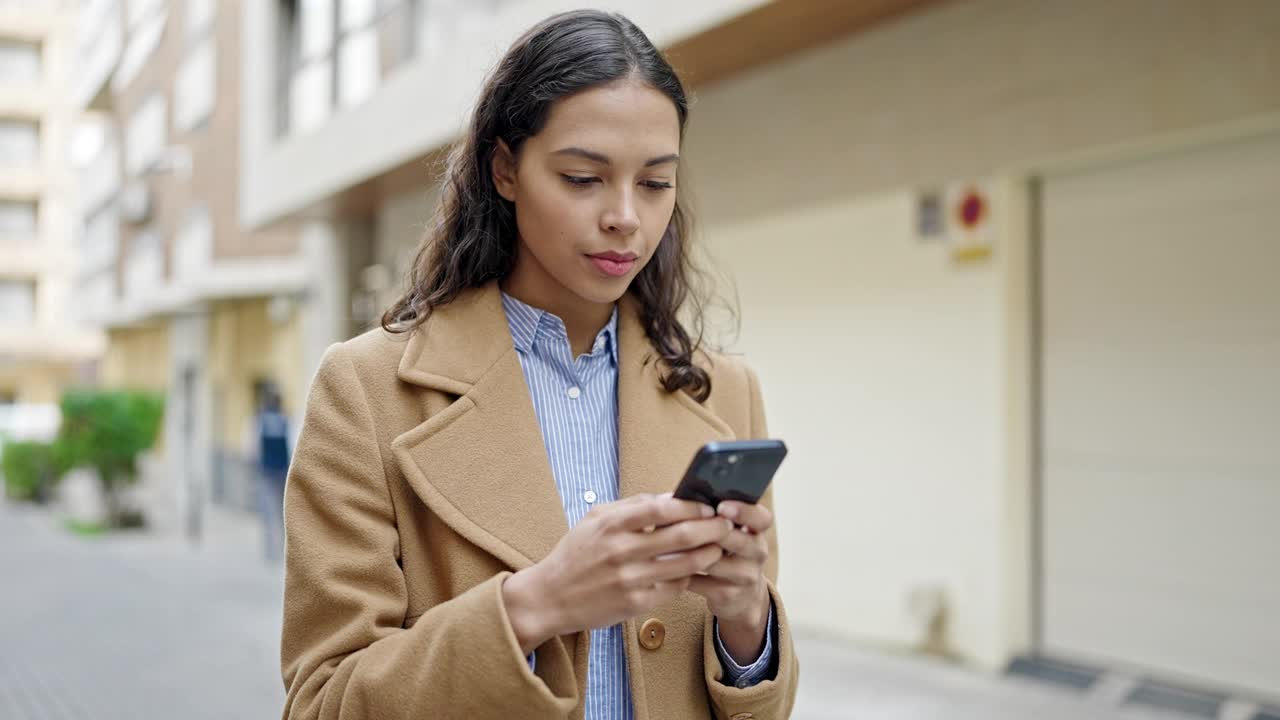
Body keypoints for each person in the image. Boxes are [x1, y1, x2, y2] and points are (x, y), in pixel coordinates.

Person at [280, 10, 798, 720]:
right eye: (583, 178)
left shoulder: (723, 390)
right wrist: (535, 605)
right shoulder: (366, 392)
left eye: (655, 184)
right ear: (505, 169)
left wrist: (747, 623)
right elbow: (322, 703)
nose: (625, 217)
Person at [252, 387, 290, 562]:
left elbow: (253, 448)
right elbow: (292, 446)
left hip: (266, 472)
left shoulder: (261, 421)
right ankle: (285, 547)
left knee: (267, 513)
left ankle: (269, 550)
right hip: (283, 472)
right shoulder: (285, 420)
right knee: (283, 512)